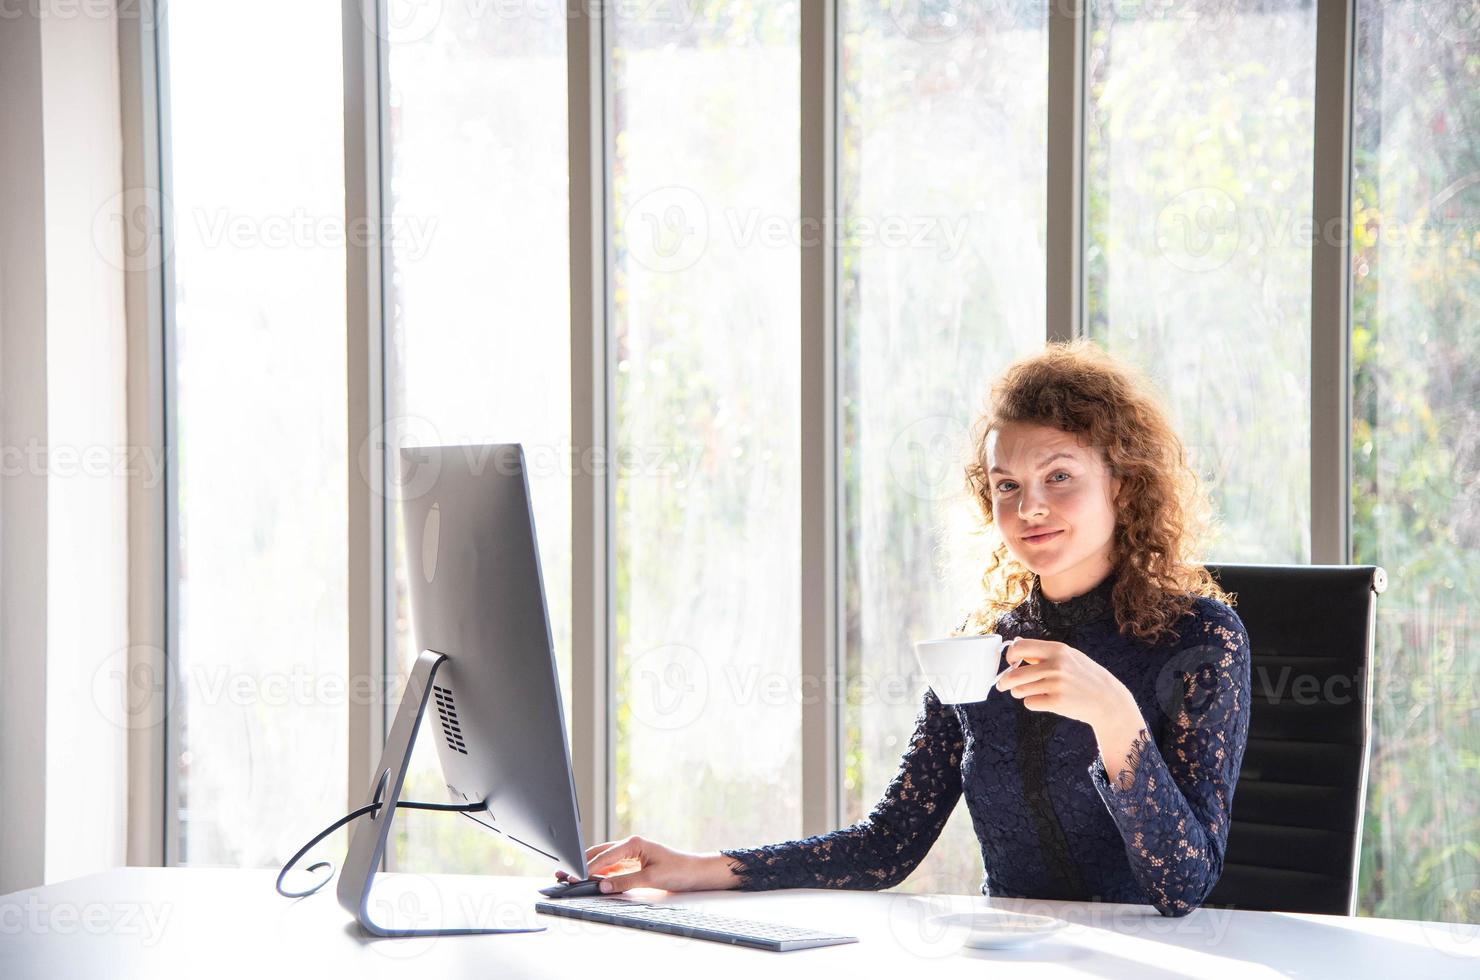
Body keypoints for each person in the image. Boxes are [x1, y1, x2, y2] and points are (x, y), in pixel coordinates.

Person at [554, 339, 1252, 918]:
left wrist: (1114, 718)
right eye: (1006, 485)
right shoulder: (981, 648)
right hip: (1010, 962)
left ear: (1123, 485)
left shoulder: (1200, 639)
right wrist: (697, 869)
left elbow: (1182, 884)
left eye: (1059, 476)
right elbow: (887, 845)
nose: (1030, 507)